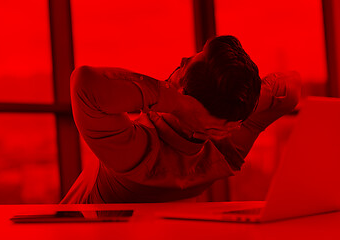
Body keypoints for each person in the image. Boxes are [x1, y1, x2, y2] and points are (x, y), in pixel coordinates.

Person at [61, 35, 301, 203]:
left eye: (184, 66)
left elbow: (84, 83)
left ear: (184, 95)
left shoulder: (138, 152)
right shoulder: (226, 151)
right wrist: (243, 104)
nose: (183, 59)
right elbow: (291, 89)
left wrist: (179, 105)